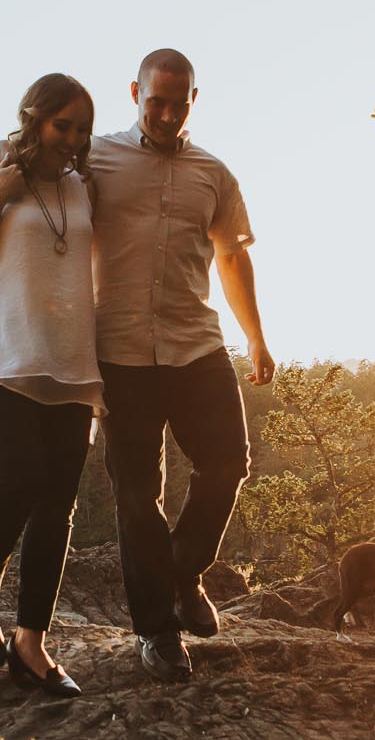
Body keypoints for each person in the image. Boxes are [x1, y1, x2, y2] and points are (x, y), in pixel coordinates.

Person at [91, 48, 274, 684]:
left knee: (228, 462)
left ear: (194, 99)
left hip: (196, 343)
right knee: (138, 493)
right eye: (155, 102)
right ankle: (158, 633)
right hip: (118, 353)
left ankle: (184, 571)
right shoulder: (95, 159)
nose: (167, 114)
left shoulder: (214, 174)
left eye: (179, 102)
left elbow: (232, 257)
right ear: (136, 93)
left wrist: (255, 337)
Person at [0, 73, 104, 700]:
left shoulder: (85, 187)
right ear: (34, 118)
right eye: (63, 126)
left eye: (83, 130)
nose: (73, 139)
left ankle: (31, 644)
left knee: (58, 507)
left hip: (67, 359)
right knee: (22, 477)